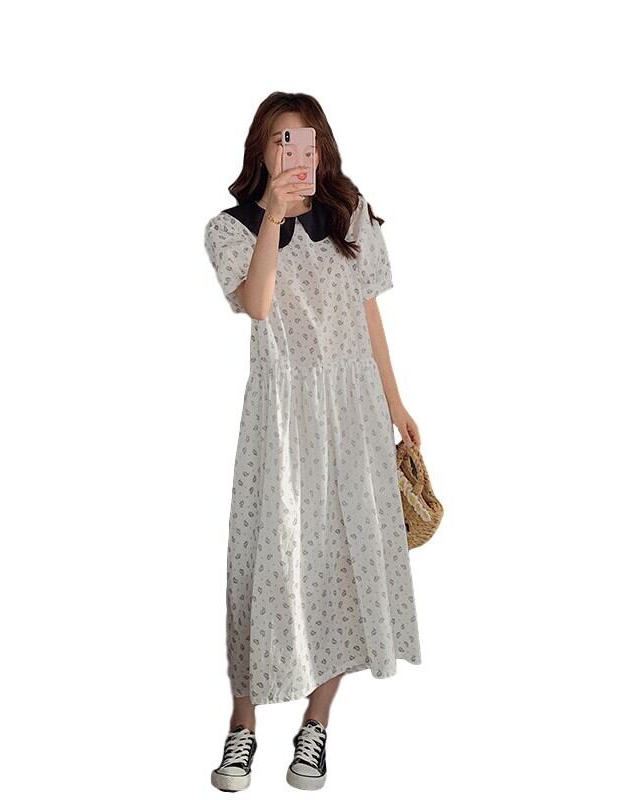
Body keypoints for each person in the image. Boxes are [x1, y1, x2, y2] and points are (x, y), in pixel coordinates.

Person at [204, 92, 423, 792]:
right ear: (261, 149)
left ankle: (317, 722)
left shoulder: (350, 213)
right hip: (282, 414)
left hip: (353, 411)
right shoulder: (230, 228)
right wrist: (272, 215)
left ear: (321, 146)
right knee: (262, 566)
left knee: (344, 563)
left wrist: (395, 403)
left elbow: (368, 313)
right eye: (280, 139)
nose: (294, 151)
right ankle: (243, 725)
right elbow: (257, 305)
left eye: (304, 139)